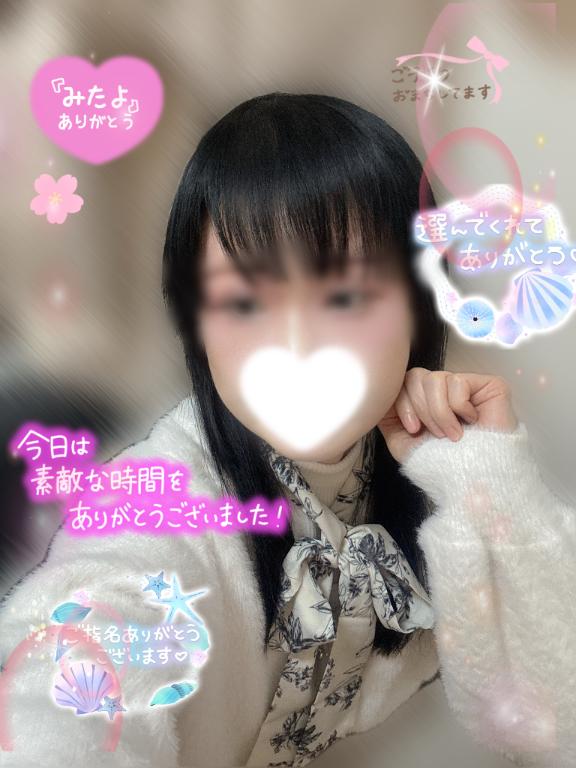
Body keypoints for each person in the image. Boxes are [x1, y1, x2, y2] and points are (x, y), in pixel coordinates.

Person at [1, 92, 575, 768]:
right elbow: (69, 665)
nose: (297, 346)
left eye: (345, 296)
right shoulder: (153, 507)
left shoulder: (435, 464)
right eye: (245, 302)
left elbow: (548, 719)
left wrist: (487, 478)